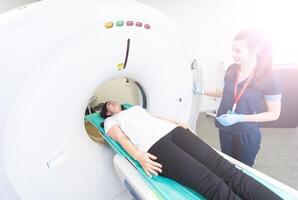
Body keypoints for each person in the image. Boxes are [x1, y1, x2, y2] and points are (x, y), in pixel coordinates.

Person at [100, 100, 281, 200]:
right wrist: (139, 156)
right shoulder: (110, 121)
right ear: (107, 112)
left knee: (229, 171)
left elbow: (155, 117)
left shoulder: (136, 108)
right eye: (108, 104)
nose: (113, 102)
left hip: (175, 131)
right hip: (155, 146)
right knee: (211, 182)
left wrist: (177, 122)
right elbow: (121, 138)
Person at [193, 29, 282, 167]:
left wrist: (241, 117)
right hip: (225, 128)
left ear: (255, 50)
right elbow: (225, 91)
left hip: (246, 133)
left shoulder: (269, 77)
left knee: (243, 171)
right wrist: (203, 91)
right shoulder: (232, 69)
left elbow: (274, 114)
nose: (233, 55)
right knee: (227, 165)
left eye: (238, 51)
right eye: (233, 50)